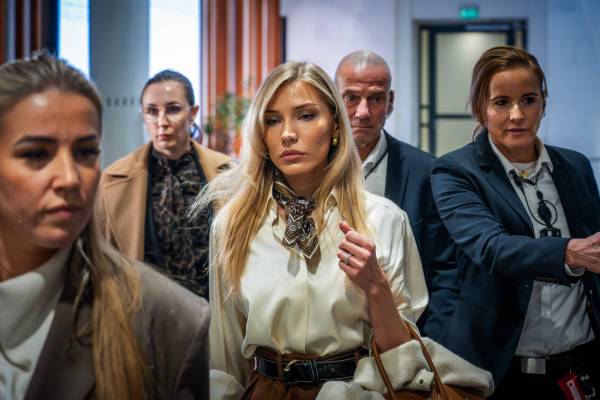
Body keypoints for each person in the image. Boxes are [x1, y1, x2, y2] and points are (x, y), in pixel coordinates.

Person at [194, 61, 492, 399]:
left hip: (355, 391)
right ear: (261, 134)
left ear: (336, 125)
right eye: (273, 120)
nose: (288, 133)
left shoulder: (384, 220)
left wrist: (376, 288)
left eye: (306, 116)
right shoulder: (234, 225)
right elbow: (225, 357)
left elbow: (402, 364)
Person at [0, 52, 210, 400]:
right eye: (36, 154)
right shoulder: (120, 179)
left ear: (193, 112)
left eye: (85, 153)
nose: (69, 178)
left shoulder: (173, 322)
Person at [430, 45, 600, 399]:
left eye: (528, 100)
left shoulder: (576, 166)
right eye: (502, 102)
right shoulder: (456, 171)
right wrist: (569, 253)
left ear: (543, 103)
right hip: (499, 372)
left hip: (578, 366)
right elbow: (492, 248)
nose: (517, 115)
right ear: (481, 108)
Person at [334, 50, 458, 339]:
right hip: (331, 341)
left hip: (402, 336)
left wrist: (424, 344)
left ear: (390, 102)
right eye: (351, 97)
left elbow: (445, 271)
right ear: (334, 99)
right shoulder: (310, 169)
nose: (363, 112)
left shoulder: (426, 172)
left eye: (375, 99)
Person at [96, 69, 230, 299]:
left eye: (173, 109)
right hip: (145, 309)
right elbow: (102, 262)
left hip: (215, 307)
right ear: (143, 115)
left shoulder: (227, 173)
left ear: (193, 113)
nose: (161, 122)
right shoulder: (113, 181)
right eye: (152, 111)